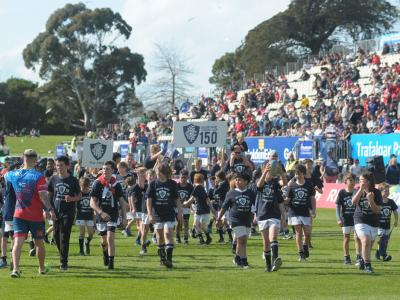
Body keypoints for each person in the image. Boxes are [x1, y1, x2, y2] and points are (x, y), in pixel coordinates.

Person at [5, 149, 55, 278]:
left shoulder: (12, 174)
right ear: (35, 160)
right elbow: (43, 196)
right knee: (39, 242)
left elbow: (4, 176)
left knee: (17, 242)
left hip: (19, 215)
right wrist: (49, 209)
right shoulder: (38, 176)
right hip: (35, 217)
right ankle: (42, 268)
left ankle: (15, 269)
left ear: (23, 158)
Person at [90, 160, 127, 270]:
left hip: (113, 213)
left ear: (113, 171)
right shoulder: (97, 183)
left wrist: (124, 217)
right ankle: (105, 253)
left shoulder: (116, 184)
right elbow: (92, 202)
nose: (105, 171)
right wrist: (100, 212)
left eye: (108, 169)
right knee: (104, 241)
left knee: (111, 237)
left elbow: (122, 202)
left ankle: (111, 262)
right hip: (101, 214)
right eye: (104, 168)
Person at [47, 155, 81, 270]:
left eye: (61, 165)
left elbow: (79, 196)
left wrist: (71, 199)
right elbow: (49, 196)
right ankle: (63, 254)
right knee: (56, 237)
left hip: (68, 212)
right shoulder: (53, 179)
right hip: (56, 212)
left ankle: (63, 263)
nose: (59, 167)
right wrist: (49, 210)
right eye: (57, 165)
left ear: (67, 166)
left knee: (64, 237)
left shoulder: (73, 180)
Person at [147, 163, 183, 268]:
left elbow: (177, 199)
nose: (157, 175)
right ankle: (162, 258)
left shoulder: (172, 184)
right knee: (159, 237)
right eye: (157, 173)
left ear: (165, 173)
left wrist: (179, 212)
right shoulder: (153, 184)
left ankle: (169, 259)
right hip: (157, 214)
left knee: (167, 234)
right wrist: (150, 214)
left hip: (169, 213)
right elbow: (148, 200)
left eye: (159, 173)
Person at [216, 172, 256, 269]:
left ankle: (237, 258)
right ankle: (244, 262)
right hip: (235, 219)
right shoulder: (231, 193)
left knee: (243, 241)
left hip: (246, 220)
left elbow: (255, 206)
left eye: (240, 180)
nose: (237, 181)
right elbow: (224, 207)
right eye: (236, 180)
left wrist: (255, 217)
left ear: (246, 182)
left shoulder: (250, 193)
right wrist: (218, 218)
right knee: (241, 239)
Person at [255, 162, 287, 272]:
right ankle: (268, 266)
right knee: (266, 242)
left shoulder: (274, 182)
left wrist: (281, 173)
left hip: (274, 214)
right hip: (262, 214)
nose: (270, 171)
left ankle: (275, 260)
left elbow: (285, 184)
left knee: (273, 237)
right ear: (263, 170)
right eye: (267, 169)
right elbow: (258, 186)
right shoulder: (260, 182)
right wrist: (264, 173)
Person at [352, 171, 383, 274]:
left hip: (373, 222)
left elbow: (377, 210)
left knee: (369, 245)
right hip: (360, 220)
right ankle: (368, 265)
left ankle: (362, 260)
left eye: (363, 180)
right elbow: (353, 202)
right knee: (365, 241)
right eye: (360, 180)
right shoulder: (357, 190)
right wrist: (361, 190)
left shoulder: (376, 193)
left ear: (369, 181)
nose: (361, 182)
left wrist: (370, 200)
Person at [286, 164, 316, 262]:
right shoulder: (292, 185)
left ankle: (305, 246)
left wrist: (313, 210)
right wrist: (282, 200)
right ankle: (301, 253)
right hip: (294, 211)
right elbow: (288, 199)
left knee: (307, 233)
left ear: (303, 173)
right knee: (298, 233)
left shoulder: (308, 184)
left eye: (298, 173)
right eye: (295, 173)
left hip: (305, 211)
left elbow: (312, 198)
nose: (297, 175)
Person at [335, 173, 361, 265]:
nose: (353, 182)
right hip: (345, 219)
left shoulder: (357, 192)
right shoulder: (342, 192)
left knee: (357, 238)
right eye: (350, 180)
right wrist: (338, 218)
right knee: (346, 238)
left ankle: (358, 257)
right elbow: (337, 206)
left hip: (356, 219)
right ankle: (346, 257)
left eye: (354, 180)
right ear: (345, 181)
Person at [184, 173, 216, 245]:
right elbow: (205, 199)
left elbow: (193, 198)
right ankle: (202, 239)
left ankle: (207, 238)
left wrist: (186, 204)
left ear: (195, 180)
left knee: (201, 225)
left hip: (203, 210)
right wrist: (212, 208)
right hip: (200, 210)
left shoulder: (198, 187)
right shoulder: (201, 188)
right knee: (196, 225)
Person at [375, 183, 398, 261]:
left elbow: (395, 211)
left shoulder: (391, 202)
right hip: (379, 225)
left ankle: (378, 252)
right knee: (383, 239)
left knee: (385, 240)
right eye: (385, 191)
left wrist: (396, 220)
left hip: (387, 225)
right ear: (380, 192)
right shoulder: (378, 201)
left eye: (388, 191)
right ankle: (384, 255)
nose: (387, 193)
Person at [76, 177, 94, 256]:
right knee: (82, 233)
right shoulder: (78, 193)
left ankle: (87, 242)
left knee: (91, 234)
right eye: (82, 186)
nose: (84, 188)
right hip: (81, 215)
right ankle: (81, 251)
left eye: (86, 186)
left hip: (89, 215)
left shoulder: (91, 193)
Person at [176, 169, 194, 245]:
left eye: (185, 177)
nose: (183, 179)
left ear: (187, 178)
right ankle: (177, 237)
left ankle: (186, 238)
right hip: (178, 207)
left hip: (186, 207)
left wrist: (188, 204)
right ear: (179, 177)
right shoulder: (176, 186)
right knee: (178, 223)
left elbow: (192, 197)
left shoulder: (190, 187)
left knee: (186, 223)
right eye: (181, 177)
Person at [213, 170, 230, 243]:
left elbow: (215, 192)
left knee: (224, 221)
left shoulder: (223, 184)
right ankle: (222, 238)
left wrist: (216, 185)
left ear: (220, 177)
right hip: (221, 204)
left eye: (216, 177)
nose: (215, 179)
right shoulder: (224, 183)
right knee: (220, 222)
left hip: (224, 205)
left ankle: (230, 238)